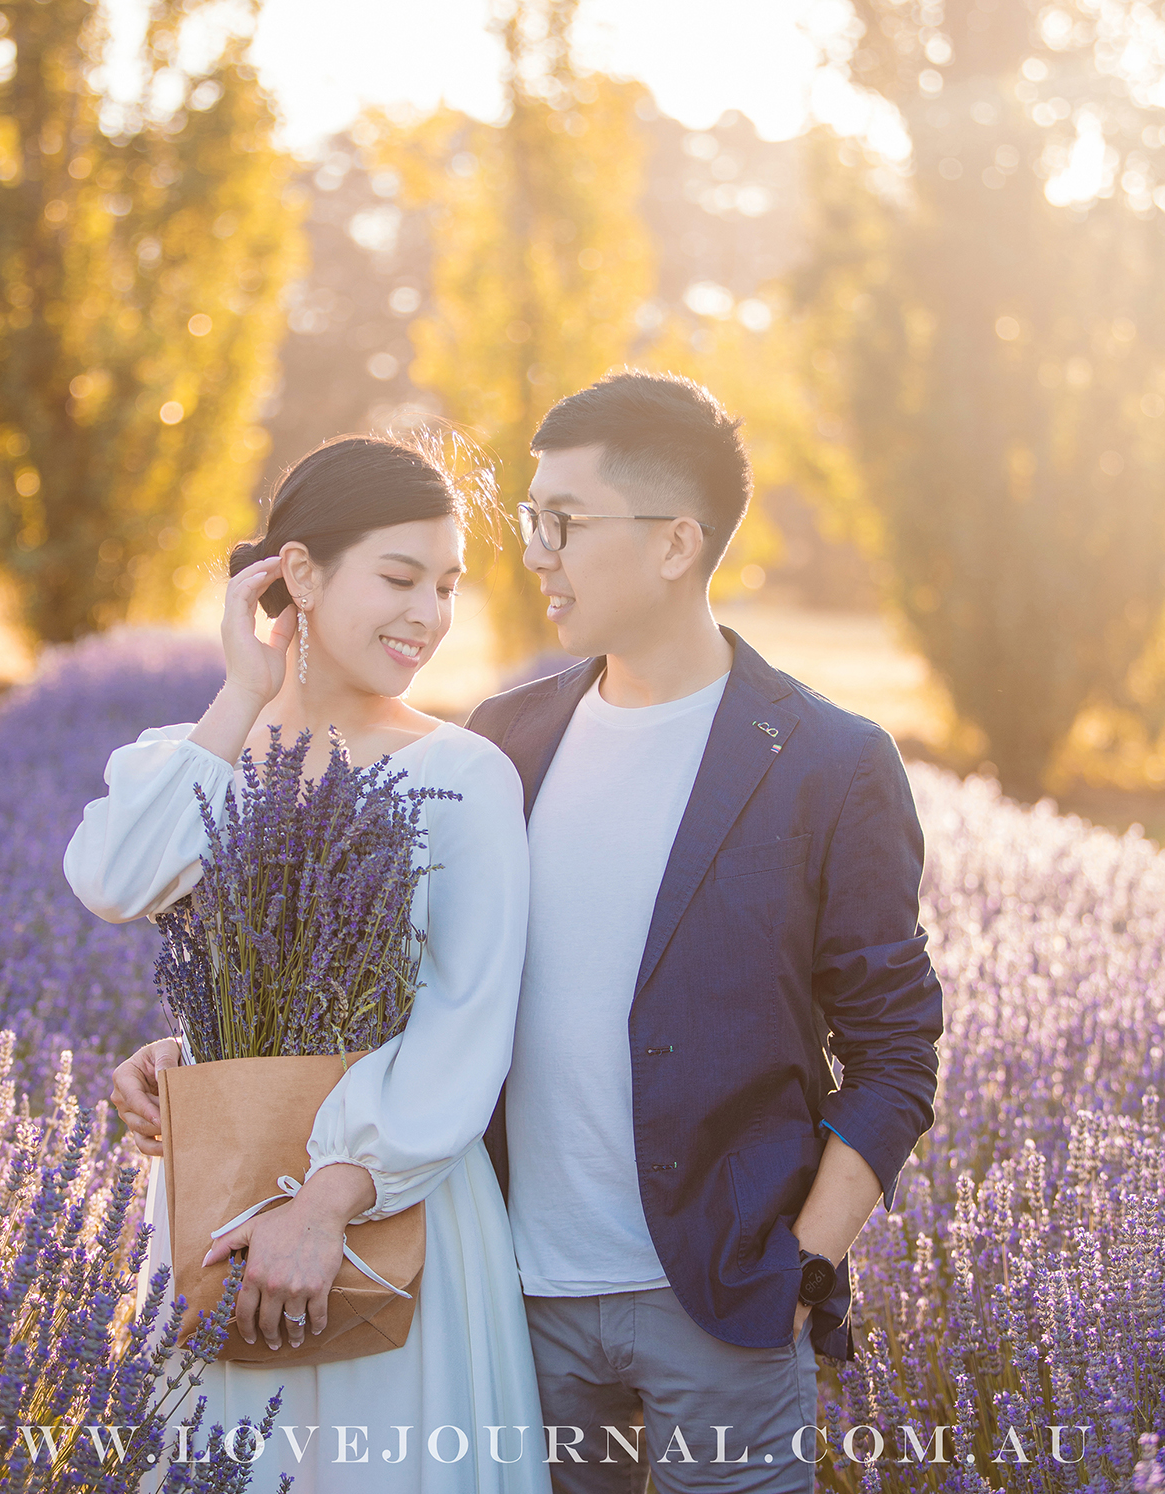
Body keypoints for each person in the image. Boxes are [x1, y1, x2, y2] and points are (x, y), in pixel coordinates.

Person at [464, 370, 945, 1494]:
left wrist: (804, 1263)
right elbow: (402, 991)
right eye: (534, 521)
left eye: (562, 523)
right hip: (510, 1308)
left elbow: (892, 1054)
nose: (536, 551)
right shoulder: (498, 741)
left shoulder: (829, 761)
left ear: (675, 544)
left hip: (724, 1309)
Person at [64, 435, 550, 1492]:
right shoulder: (195, 754)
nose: (427, 615)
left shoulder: (460, 775)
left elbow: (466, 1020)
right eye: (398, 577)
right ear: (299, 573)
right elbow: (114, 879)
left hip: (388, 1203)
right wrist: (242, 694)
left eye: (447, 585)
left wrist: (323, 1204)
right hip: (223, 1206)